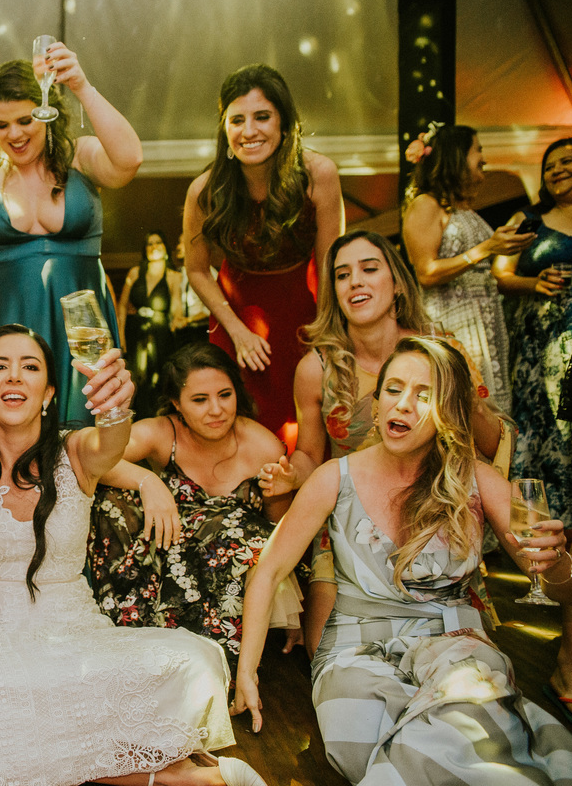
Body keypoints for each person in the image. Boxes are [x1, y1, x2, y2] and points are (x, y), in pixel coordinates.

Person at [0, 304, 264, 785]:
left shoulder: (75, 453)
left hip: (74, 636)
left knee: (196, 663)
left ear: (47, 394)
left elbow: (111, 441)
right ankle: (169, 777)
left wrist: (112, 405)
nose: (13, 377)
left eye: (30, 367)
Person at [232, 336, 572, 784]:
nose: (403, 405)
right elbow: (270, 569)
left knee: (470, 724)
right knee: (363, 742)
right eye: (393, 389)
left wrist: (557, 563)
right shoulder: (333, 478)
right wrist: (247, 672)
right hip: (352, 653)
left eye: (424, 394)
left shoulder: (476, 479)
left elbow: (560, 590)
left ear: (448, 412)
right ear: (375, 406)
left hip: (455, 640)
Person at [262, 230, 514, 655]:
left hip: (431, 507)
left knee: (454, 654)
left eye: (369, 268)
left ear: (396, 282)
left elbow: (489, 443)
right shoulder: (317, 367)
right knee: (327, 652)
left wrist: (460, 392)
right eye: (342, 275)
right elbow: (309, 453)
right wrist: (290, 474)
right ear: (335, 293)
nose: (355, 281)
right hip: (348, 518)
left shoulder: (442, 349)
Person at [0, 41, 143, 424]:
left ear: (47, 112)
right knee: (14, 424)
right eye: (1, 125)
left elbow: (129, 159)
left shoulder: (79, 155)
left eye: (26, 120)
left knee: (87, 424)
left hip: (81, 321)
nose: (15, 134)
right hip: (9, 314)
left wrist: (82, 87)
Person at [88, 343, 295, 671]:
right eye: (200, 400)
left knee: (232, 527)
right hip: (166, 559)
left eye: (224, 395)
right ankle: (129, 637)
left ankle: (211, 663)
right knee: (111, 501)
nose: (216, 410)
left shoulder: (262, 446)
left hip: (226, 571)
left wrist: (281, 493)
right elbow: (94, 458)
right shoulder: (163, 432)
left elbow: (280, 532)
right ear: (176, 404)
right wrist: (148, 481)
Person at [184, 64, 343, 450]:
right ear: (224, 128)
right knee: (234, 423)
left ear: (284, 123)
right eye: (237, 120)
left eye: (262, 117)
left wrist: (326, 335)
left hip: (302, 312)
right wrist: (236, 330)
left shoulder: (319, 174)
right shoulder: (204, 190)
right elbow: (196, 270)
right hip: (233, 313)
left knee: (303, 425)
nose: (249, 131)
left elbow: (328, 264)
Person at [491, 136, 572, 724]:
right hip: (543, 360)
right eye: (551, 164)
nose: (561, 169)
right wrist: (533, 284)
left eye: (569, 159)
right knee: (552, 482)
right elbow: (498, 271)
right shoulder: (529, 220)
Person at [401, 123, 534, 411]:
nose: (484, 158)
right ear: (457, 156)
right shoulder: (426, 204)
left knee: (492, 411)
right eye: (479, 150)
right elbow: (425, 272)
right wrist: (487, 248)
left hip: (485, 323)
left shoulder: (462, 210)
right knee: (462, 407)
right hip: (453, 325)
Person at [117, 230, 181, 418]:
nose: (154, 247)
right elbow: (122, 306)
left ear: (165, 248)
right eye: (149, 244)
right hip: (135, 330)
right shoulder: (135, 273)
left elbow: (176, 309)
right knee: (136, 378)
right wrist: (121, 337)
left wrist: (179, 321)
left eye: (158, 243)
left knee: (158, 379)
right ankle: (135, 422)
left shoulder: (173, 276)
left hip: (161, 332)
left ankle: (157, 421)